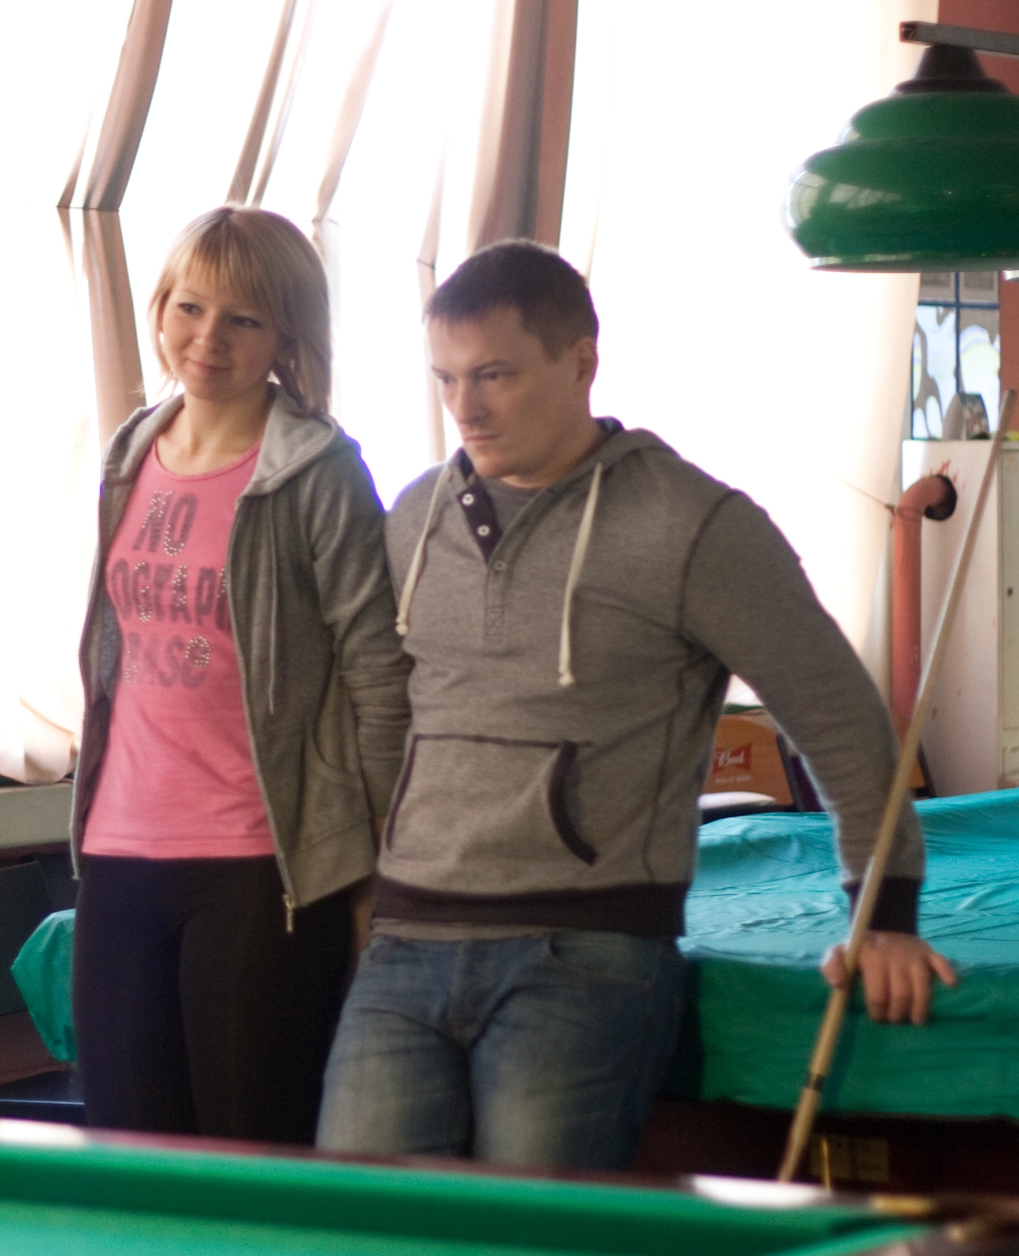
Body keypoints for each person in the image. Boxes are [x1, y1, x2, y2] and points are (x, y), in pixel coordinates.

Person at [315, 240, 957, 1170]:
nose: (465, 407)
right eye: (447, 378)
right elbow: (386, 714)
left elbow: (839, 720)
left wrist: (885, 916)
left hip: (587, 952)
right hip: (406, 941)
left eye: (494, 374)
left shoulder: (694, 526)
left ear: (581, 360)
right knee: (362, 1230)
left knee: (543, 1243)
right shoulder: (416, 516)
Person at [70, 207, 410, 1144]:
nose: (207, 338)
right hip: (118, 850)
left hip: (262, 864)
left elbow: (379, 678)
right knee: (129, 1157)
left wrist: (378, 868)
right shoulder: (129, 451)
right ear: (160, 308)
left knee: (250, 1152)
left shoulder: (320, 470)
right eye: (190, 307)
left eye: (243, 319)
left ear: (286, 337)